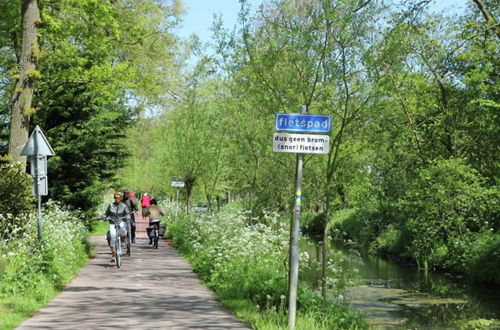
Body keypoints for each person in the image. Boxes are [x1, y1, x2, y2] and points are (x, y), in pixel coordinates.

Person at [104, 192, 129, 262]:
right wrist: (100, 217)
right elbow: (106, 214)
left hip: (121, 222)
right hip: (112, 223)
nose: (117, 199)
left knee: (123, 231)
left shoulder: (124, 205)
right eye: (115, 197)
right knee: (112, 236)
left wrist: (128, 216)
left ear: (121, 198)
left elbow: (127, 213)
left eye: (118, 197)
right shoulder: (111, 205)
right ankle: (113, 255)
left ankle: (123, 242)